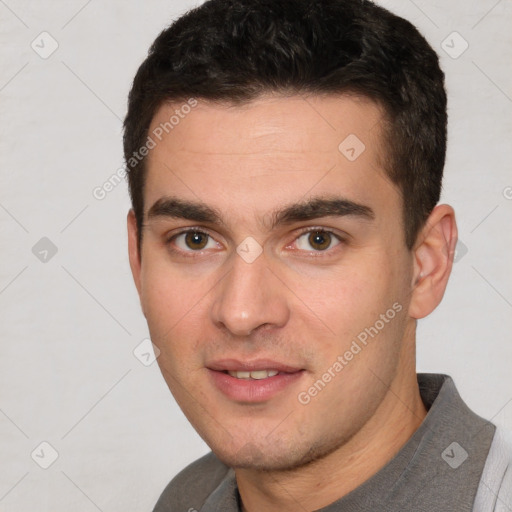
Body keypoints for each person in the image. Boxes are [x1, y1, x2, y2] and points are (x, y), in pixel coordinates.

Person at [123, 0, 512, 510]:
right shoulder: (188, 499)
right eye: (196, 239)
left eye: (317, 240)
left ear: (427, 264)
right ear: (138, 258)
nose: (242, 313)